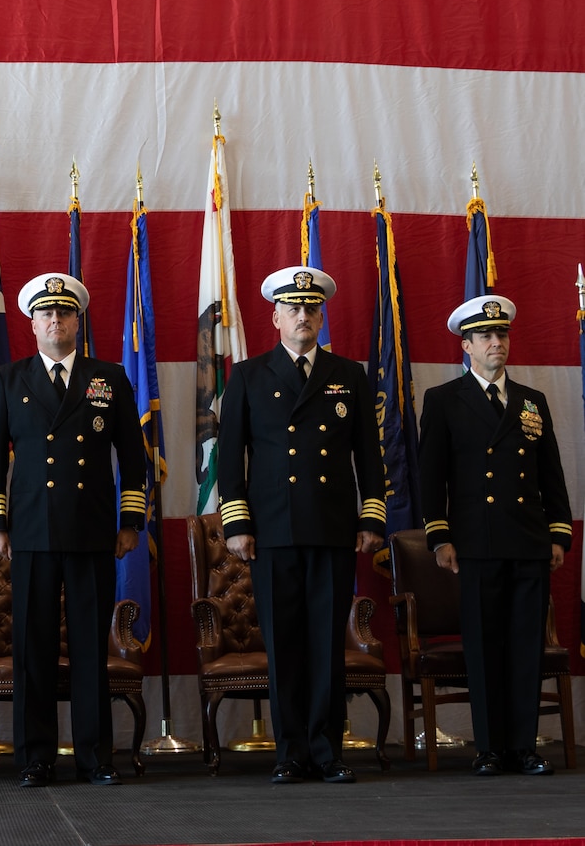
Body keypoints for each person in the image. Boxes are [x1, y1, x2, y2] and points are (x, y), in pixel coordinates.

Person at [217, 267, 385, 784]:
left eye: (312, 308)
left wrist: (371, 515)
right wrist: (237, 523)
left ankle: (327, 750)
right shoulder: (248, 374)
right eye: (293, 308)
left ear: (321, 315)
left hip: (332, 527)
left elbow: (369, 456)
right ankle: (290, 751)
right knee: (285, 645)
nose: (304, 316)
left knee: (326, 645)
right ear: (275, 317)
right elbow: (230, 459)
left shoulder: (348, 374)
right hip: (271, 531)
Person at [0, 273, 146, 787]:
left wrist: (131, 521)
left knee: (92, 648)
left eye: (66, 314)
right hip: (29, 533)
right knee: (33, 648)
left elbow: (133, 458)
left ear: (78, 321)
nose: (57, 321)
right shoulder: (9, 379)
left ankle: (96, 757)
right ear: (32, 324)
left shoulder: (108, 378)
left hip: (93, 531)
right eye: (47, 314)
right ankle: (35, 757)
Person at [418, 294, 571, 776]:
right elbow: (431, 476)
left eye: (501, 334)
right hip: (476, 544)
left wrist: (559, 534)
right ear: (466, 346)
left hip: (527, 541)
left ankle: (523, 746)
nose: (496, 343)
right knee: (484, 649)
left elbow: (552, 474)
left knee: (526, 647)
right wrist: (440, 536)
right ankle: (488, 747)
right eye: (485, 336)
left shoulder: (532, 401)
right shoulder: (444, 401)